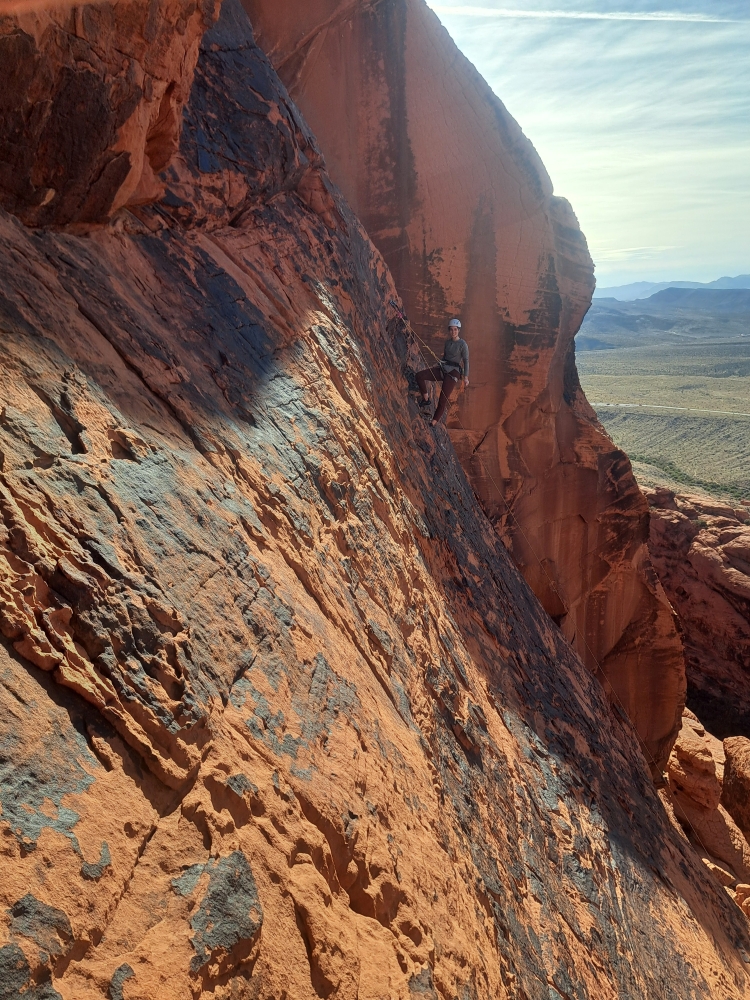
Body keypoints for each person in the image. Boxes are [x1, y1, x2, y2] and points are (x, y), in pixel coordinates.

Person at [416, 318, 469, 426]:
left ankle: (433, 423)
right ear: (449, 330)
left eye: (455, 329)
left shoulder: (462, 344)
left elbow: (466, 361)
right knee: (420, 375)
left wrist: (466, 377)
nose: (453, 332)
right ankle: (426, 399)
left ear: (458, 330)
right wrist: (437, 364)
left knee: (442, 399)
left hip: (453, 373)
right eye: (451, 329)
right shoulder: (447, 343)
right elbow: (445, 357)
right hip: (443, 368)